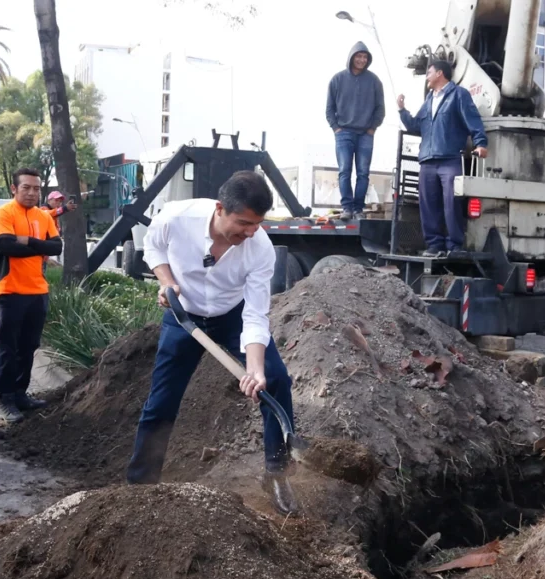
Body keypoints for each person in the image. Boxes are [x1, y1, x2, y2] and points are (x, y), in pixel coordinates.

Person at [128, 170, 299, 515]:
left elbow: (255, 316)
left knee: (276, 379)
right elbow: (153, 247)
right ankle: (140, 486)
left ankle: (277, 473)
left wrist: (254, 370)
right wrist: (167, 282)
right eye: (244, 223)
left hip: (232, 315)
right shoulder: (176, 218)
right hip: (184, 316)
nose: (251, 232)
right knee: (161, 401)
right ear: (220, 209)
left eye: (257, 224)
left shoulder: (260, 248)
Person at [0, 168, 63, 423]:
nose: (32, 192)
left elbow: (57, 246)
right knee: (8, 348)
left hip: (38, 291)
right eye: (26, 188)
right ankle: (6, 399)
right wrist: (38, 245)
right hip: (10, 291)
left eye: (36, 188)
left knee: (29, 346)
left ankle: (21, 393)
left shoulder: (43, 216)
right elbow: (6, 246)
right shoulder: (4, 213)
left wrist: (27, 241)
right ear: (14, 189)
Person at [398, 59, 488, 258]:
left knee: (451, 204)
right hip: (428, 161)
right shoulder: (429, 99)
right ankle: (434, 245)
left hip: (450, 160)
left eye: (429, 73)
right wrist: (402, 110)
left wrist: (481, 143)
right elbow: (416, 126)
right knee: (428, 204)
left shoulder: (459, 95)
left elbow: (472, 119)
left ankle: (454, 245)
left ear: (440, 73)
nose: (427, 77)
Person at [326, 41, 385, 221]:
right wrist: (336, 128)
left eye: (364, 57)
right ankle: (347, 208)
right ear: (352, 57)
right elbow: (329, 108)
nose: (361, 60)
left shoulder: (374, 81)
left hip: (365, 134)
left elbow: (380, 108)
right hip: (343, 132)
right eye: (358, 56)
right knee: (344, 170)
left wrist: (372, 128)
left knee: (363, 173)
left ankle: (358, 209)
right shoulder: (337, 79)